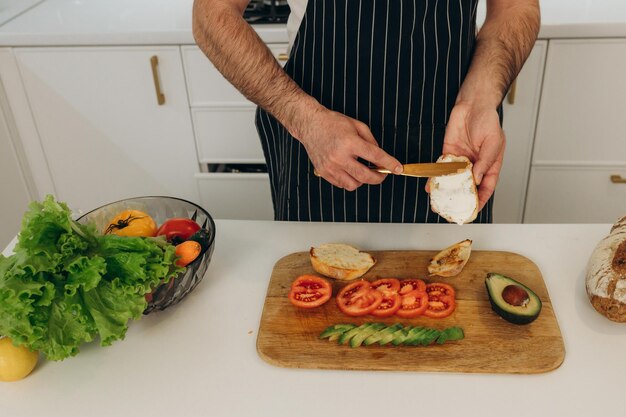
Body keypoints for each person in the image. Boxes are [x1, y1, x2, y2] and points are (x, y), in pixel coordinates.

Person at [192, 0, 540, 223]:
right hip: (319, 146)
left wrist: (482, 97)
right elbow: (212, 13)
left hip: (451, 143)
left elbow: (514, 8)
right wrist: (304, 119)